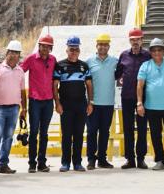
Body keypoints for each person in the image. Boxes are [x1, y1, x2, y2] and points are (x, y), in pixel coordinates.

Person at [137, 38, 164, 171]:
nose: (157, 52)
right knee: (155, 135)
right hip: (151, 107)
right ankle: (160, 160)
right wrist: (139, 103)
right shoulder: (145, 66)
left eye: (159, 50)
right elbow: (140, 85)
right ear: (150, 52)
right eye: (154, 50)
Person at [0, 40, 27, 176]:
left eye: (17, 53)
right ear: (7, 53)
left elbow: (22, 91)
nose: (14, 55)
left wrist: (24, 108)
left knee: (8, 137)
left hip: (14, 108)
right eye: (12, 52)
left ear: (19, 55)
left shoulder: (20, 71)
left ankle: (3, 164)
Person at [53, 36, 93, 172]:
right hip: (65, 105)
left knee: (79, 134)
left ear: (79, 50)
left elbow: (89, 85)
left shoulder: (84, 66)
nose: (74, 52)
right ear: (67, 50)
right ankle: (65, 163)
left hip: (81, 105)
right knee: (66, 135)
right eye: (71, 49)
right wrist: (57, 103)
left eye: (76, 49)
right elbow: (54, 85)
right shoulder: (60, 65)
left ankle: (77, 163)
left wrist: (90, 103)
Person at [20, 34, 57, 173]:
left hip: (48, 101)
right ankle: (31, 163)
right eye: (43, 46)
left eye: (48, 46)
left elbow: (56, 79)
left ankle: (42, 162)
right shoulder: (31, 59)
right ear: (39, 46)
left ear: (51, 48)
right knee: (34, 131)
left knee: (44, 133)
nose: (45, 49)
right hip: (35, 101)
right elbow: (19, 72)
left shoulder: (53, 60)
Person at [116, 28, 151, 169]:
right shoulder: (123, 55)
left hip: (143, 98)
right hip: (127, 97)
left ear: (142, 40)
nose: (135, 42)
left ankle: (141, 158)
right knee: (128, 128)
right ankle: (130, 159)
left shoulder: (148, 56)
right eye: (132, 39)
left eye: (137, 39)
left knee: (142, 128)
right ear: (129, 41)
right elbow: (117, 73)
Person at [86, 33, 119, 170]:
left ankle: (102, 159)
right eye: (100, 44)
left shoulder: (115, 62)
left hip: (108, 103)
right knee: (92, 132)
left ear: (109, 46)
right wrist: (89, 102)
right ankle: (91, 160)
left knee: (105, 132)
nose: (103, 47)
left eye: (105, 45)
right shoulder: (89, 62)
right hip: (93, 104)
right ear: (96, 46)